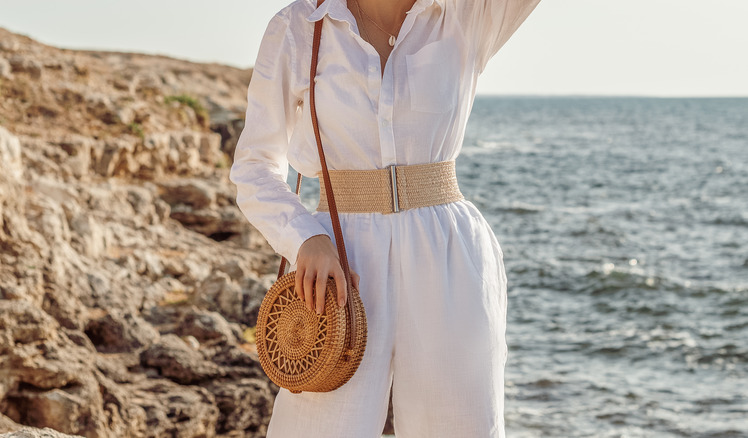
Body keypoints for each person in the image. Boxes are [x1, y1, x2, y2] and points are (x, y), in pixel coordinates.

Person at [229, 0, 541, 436]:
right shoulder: (299, 26)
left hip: (447, 256)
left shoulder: (466, 14)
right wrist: (304, 239)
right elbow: (254, 166)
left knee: (460, 427)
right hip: (342, 259)